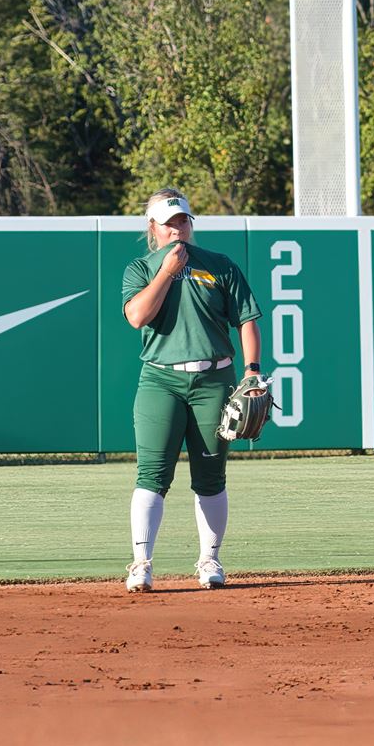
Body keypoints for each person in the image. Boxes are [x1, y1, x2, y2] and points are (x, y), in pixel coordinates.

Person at [119, 189, 267, 591]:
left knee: (210, 475)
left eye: (182, 220)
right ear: (153, 228)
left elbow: (248, 320)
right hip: (160, 380)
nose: (177, 229)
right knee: (152, 474)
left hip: (213, 379)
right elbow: (137, 316)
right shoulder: (141, 268)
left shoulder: (219, 266)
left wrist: (252, 373)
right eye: (168, 223)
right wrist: (167, 272)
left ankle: (209, 560)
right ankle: (141, 563)